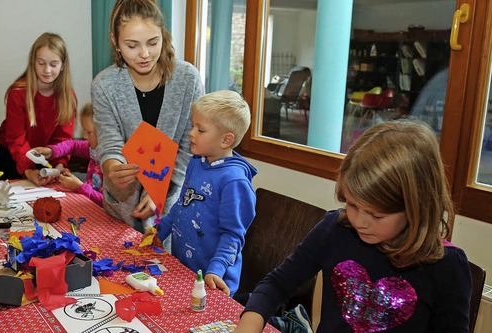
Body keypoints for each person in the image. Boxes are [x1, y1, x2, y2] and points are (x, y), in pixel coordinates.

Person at [234, 120, 472, 333]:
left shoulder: (447, 266)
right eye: (351, 204)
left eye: (376, 215)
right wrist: (251, 321)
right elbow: (277, 283)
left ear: (416, 208)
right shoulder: (335, 229)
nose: (359, 221)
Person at [91, 0, 204, 232]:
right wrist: (112, 168)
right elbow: (110, 144)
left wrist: (159, 192)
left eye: (153, 43)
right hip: (121, 213)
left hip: (173, 210)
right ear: (115, 41)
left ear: (163, 35)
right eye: (132, 45)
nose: (144, 54)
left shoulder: (188, 79)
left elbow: (190, 149)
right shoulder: (104, 85)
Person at [154, 90, 257, 297]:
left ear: (226, 140)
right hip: (183, 269)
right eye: (193, 126)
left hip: (211, 281)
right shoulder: (196, 163)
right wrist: (160, 232)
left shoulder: (234, 182)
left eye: (200, 130)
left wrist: (216, 270)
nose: (191, 133)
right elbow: (182, 204)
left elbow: (233, 235)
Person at [0, 32, 77, 186]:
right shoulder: (18, 93)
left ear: (62, 66)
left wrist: (59, 167)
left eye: (53, 64)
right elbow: (16, 139)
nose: (47, 70)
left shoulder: (68, 97)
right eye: (41, 63)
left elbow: (63, 140)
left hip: (45, 156)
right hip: (13, 157)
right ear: (33, 62)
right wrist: (27, 170)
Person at [32, 102, 103, 206]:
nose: (84, 136)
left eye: (89, 132)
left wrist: (79, 187)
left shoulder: (116, 162)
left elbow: (107, 203)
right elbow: (72, 145)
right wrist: (52, 151)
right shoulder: (93, 148)